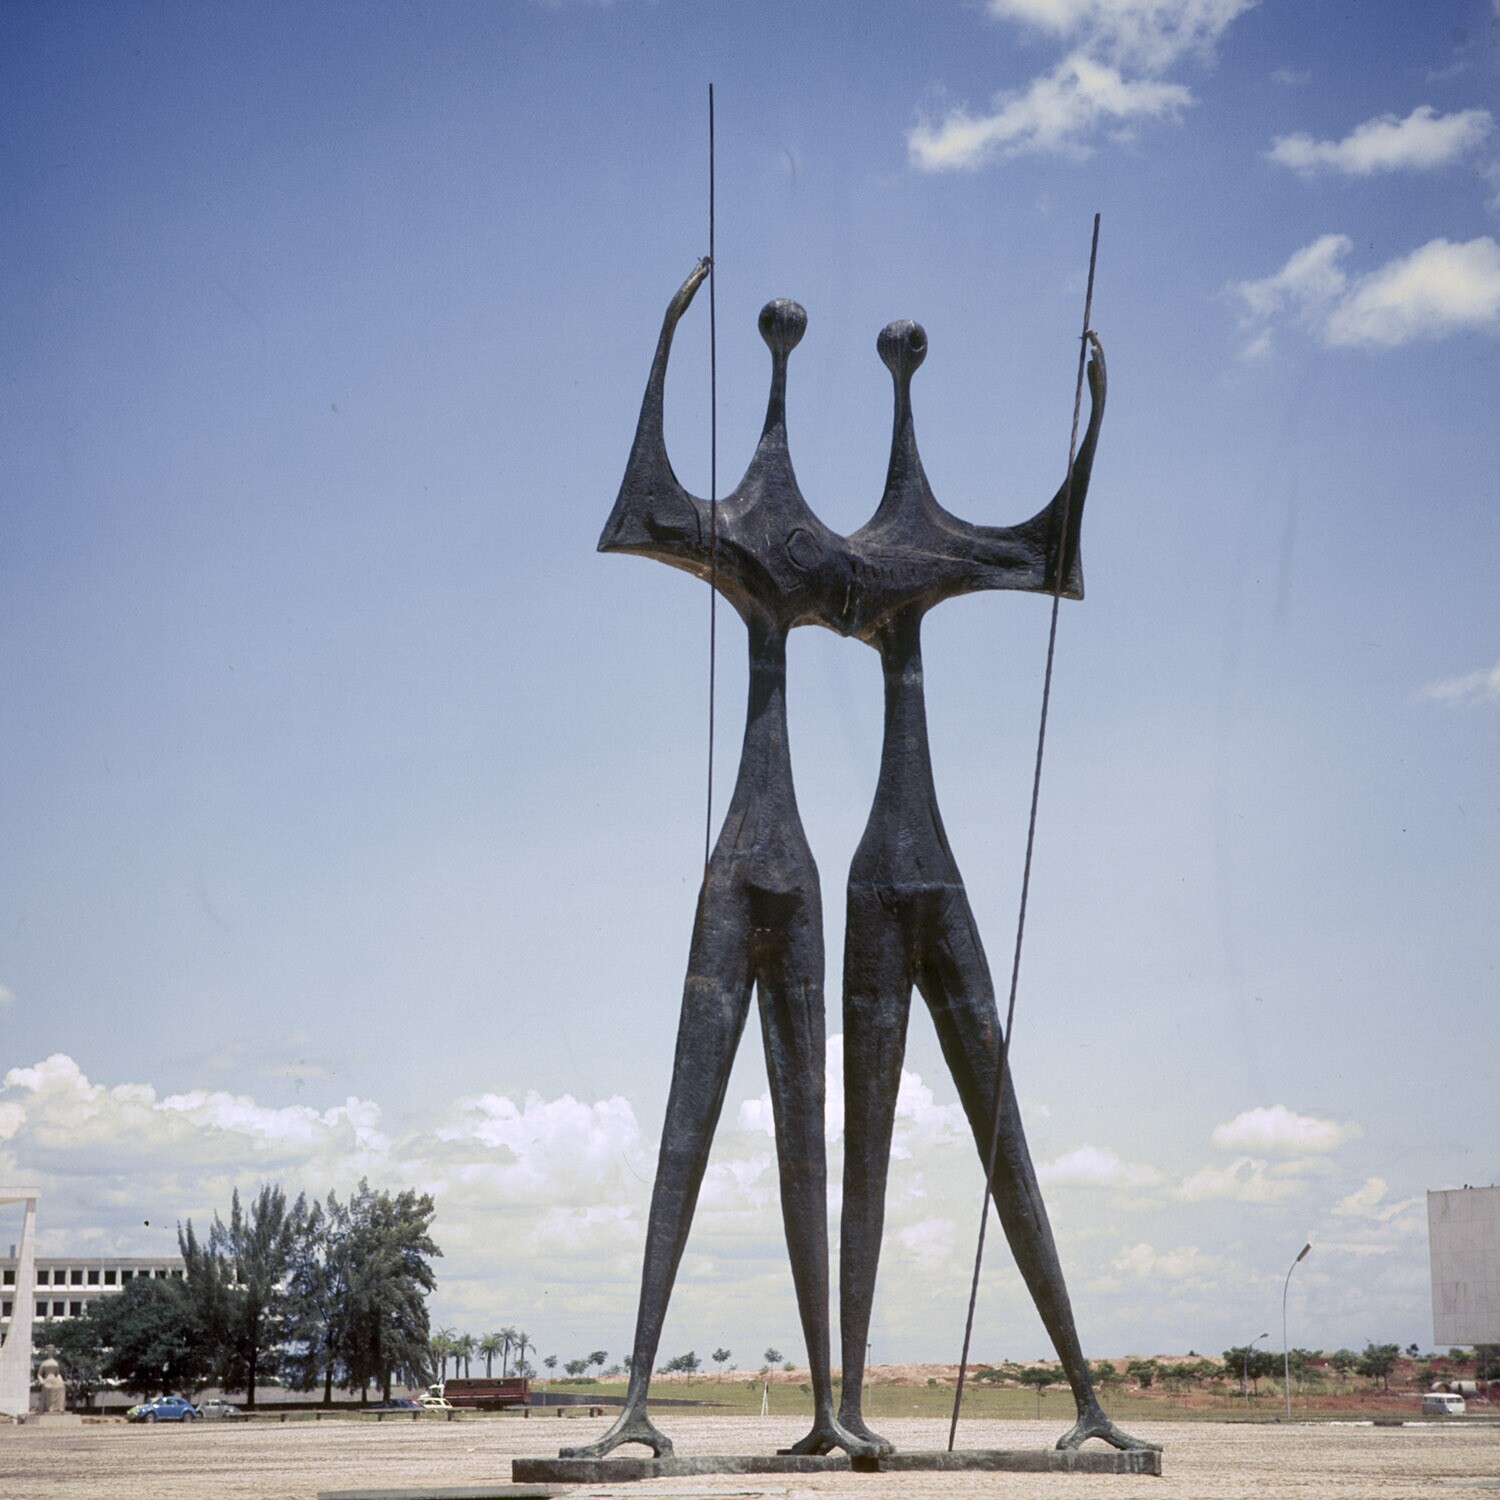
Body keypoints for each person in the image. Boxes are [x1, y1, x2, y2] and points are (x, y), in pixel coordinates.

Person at [564, 262, 867, 1460]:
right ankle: (662, 1396)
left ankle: (819, 1409)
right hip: (761, 858)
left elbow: (644, 493)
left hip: (769, 861)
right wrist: (666, 332)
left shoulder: (770, 540)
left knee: (778, 1138)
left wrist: (667, 331)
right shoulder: (816, 552)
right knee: (716, 1132)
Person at [834, 318, 1154, 1454]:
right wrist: (1095, 420)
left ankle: (1084, 1397)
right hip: (888, 878)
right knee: (875, 1152)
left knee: (996, 1132)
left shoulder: (883, 556)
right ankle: (849, 1406)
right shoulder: (868, 555)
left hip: (915, 871)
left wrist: (1097, 420)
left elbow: (1051, 541)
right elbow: (1048, 543)